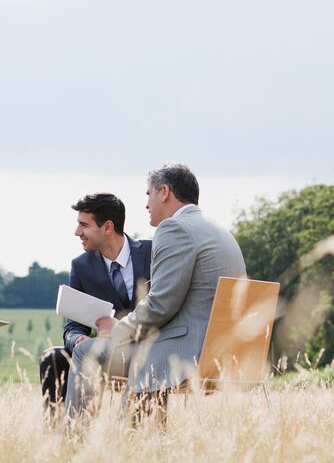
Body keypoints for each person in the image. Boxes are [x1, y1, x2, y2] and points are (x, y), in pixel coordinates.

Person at [65, 163, 247, 423]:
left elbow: (161, 305)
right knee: (144, 347)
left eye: (148, 194)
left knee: (85, 352)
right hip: (226, 352)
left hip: (186, 353)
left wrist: (117, 330)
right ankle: (148, 441)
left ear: (164, 192)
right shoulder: (219, 230)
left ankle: (74, 448)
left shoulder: (175, 229)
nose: (147, 204)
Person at [39, 194, 151, 412]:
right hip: (102, 351)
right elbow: (73, 325)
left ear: (107, 227)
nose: (77, 232)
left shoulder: (151, 252)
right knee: (53, 357)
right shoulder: (81, 266)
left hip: (148, 348)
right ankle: (63, 439)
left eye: (83, 225)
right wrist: (76, 339)